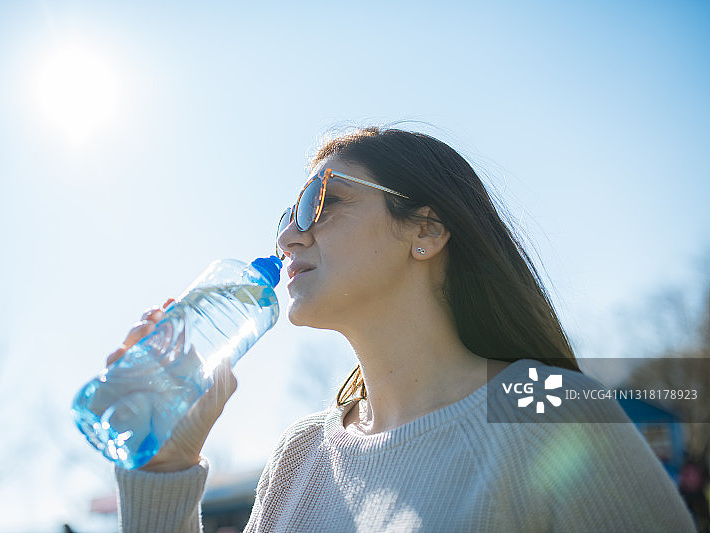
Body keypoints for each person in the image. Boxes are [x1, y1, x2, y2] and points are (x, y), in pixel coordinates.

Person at [107, 127, 696, 532]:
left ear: (426, 231)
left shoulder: (549, 412)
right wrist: (164, 468)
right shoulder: (300, 458)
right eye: (286, 218)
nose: (287, 237)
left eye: (320, 202)